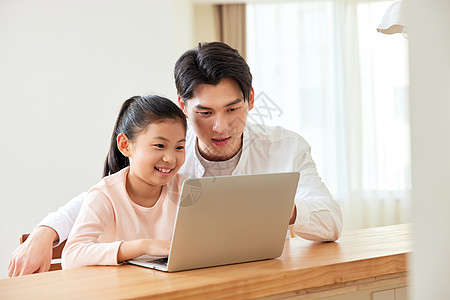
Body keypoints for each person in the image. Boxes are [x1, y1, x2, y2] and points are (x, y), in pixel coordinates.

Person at [8, 42, 343, 276]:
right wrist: (45, 232)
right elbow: (106, 194)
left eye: (232, 108)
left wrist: (273, 205)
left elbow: (331, 222)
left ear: (251, 99)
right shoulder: (171, 160)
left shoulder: (285, 147)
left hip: (263, 281)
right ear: (184, 107)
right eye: (205, 111)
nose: (220, 126)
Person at [62, 95, 187, 269]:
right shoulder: (105, 194)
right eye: (159, 145)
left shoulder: (187, 189)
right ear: (125, 145)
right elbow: (71, 256)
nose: (170, 158)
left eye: (179, 147)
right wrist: (144, 246)